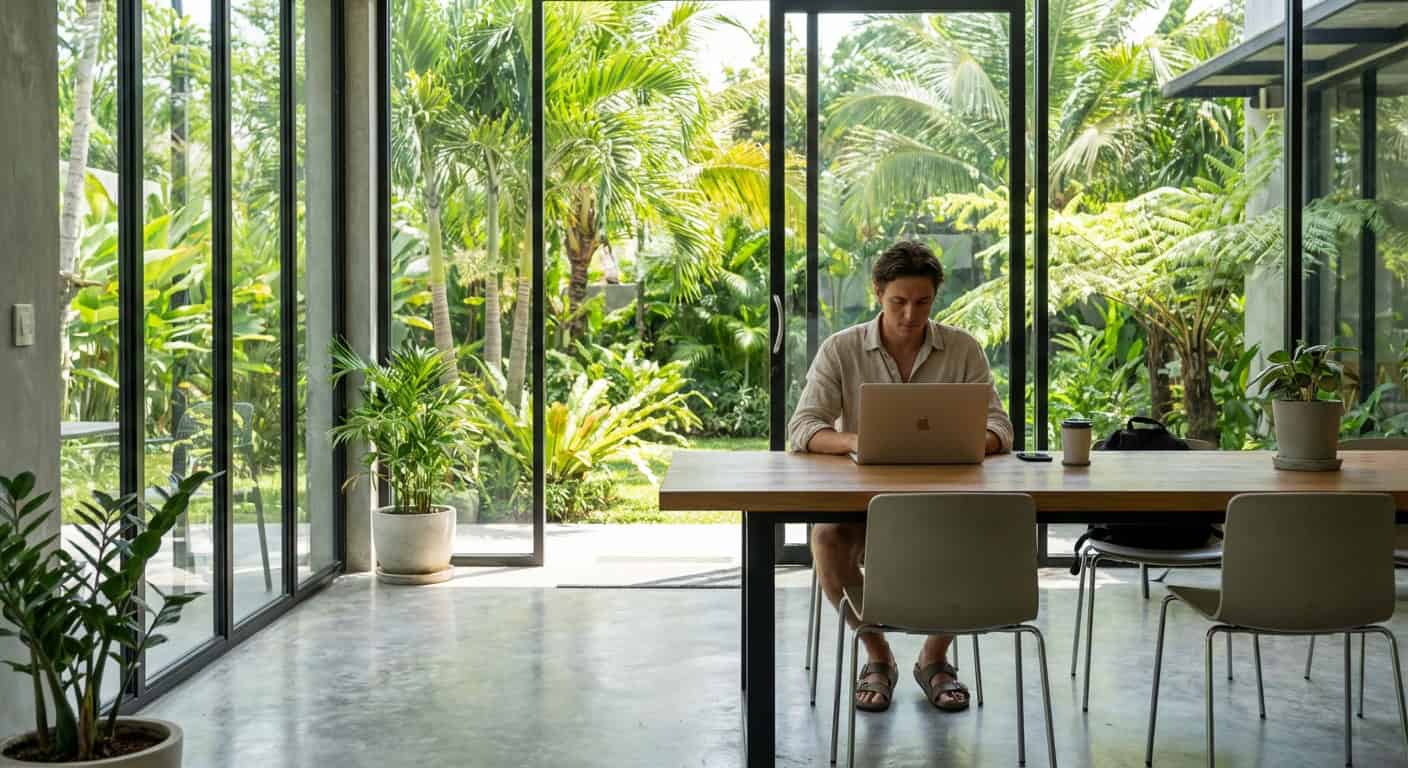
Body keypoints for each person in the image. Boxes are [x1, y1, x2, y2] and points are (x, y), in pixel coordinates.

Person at [787, 239, 1013, 713]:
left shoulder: (963, 349)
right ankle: (877, 655)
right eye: (899, 302)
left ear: (936, 297)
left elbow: (1000, 426)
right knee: (826, 537)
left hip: (948, 502)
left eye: (923, 302)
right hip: (865, 506)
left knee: (989, 534)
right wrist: (859, 440)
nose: (911, 314)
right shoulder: (841, 349)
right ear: (877, 293)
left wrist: (968, 442)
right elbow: (803, 427)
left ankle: (934, 658)